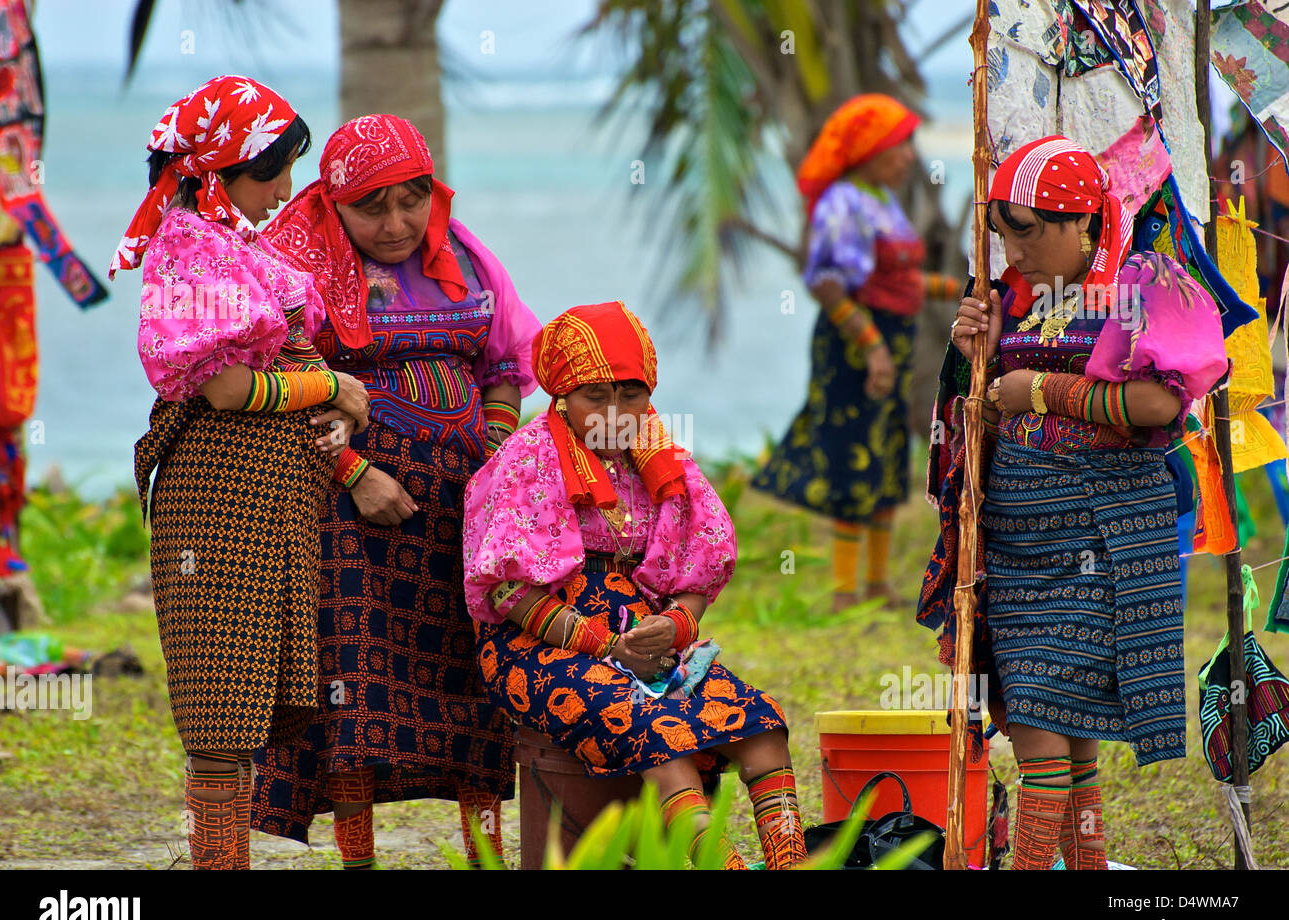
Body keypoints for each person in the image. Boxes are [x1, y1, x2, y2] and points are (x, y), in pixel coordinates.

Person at [250, 114, 538, 869]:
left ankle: (487, 859)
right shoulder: (293, 263)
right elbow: (286, 384)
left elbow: (505, 367)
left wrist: (498, 458)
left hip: (464, 516)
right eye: (370, 207)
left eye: (411, 201)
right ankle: (359, 863)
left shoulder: (466, 258)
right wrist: (355, 475)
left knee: (474, 688)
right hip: (346, 515)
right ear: (334, 202)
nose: (396, 223)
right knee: (358, 687)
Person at [930, 136, 1226, 869]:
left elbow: (1161, 403)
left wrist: (1042, 389)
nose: (1013, 250)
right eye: (1002, 232)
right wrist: (975, 360)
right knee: (1058, 724)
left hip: (1106, 541)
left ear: (1083, 221)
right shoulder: (1006, 302)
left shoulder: (1144, 283)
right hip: (1018, 546)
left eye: (1026, 230)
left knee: (1042, 725)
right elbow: (981, 422)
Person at [122, 76, 370, 870]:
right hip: (219, 502)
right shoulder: (193, 246)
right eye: (270, 173)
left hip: (265, 506)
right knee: (221, 708)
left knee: (244, 701)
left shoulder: (227, 242)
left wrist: (329, 415)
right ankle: (217, 866)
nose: (284, 192)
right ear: (217, 172)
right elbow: (226, 389)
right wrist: (331, 387)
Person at [463, 300, 805, 869]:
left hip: (643, 639)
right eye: (594, 395)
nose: (614, 412)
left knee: (761, 723)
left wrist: (676, 624)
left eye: (630, 393)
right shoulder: (530, 460)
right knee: (657, 729)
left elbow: (702, 560)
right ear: (562, 395)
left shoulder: (659, 457)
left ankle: (791, 862)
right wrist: (606, 646)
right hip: (538, 643)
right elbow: (504, 592)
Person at [752, 93, 957, 611]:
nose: (909, 155)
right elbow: (828, 283)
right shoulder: (842, 202)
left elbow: (893, 279)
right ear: (869, 150)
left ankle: (877, 582)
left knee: (886, 449)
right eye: (899, 144)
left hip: (893, 341)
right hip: (852, 346)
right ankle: (846, 588)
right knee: (851, 450)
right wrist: (872, 349)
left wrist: (955, 287)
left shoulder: (880, 200)